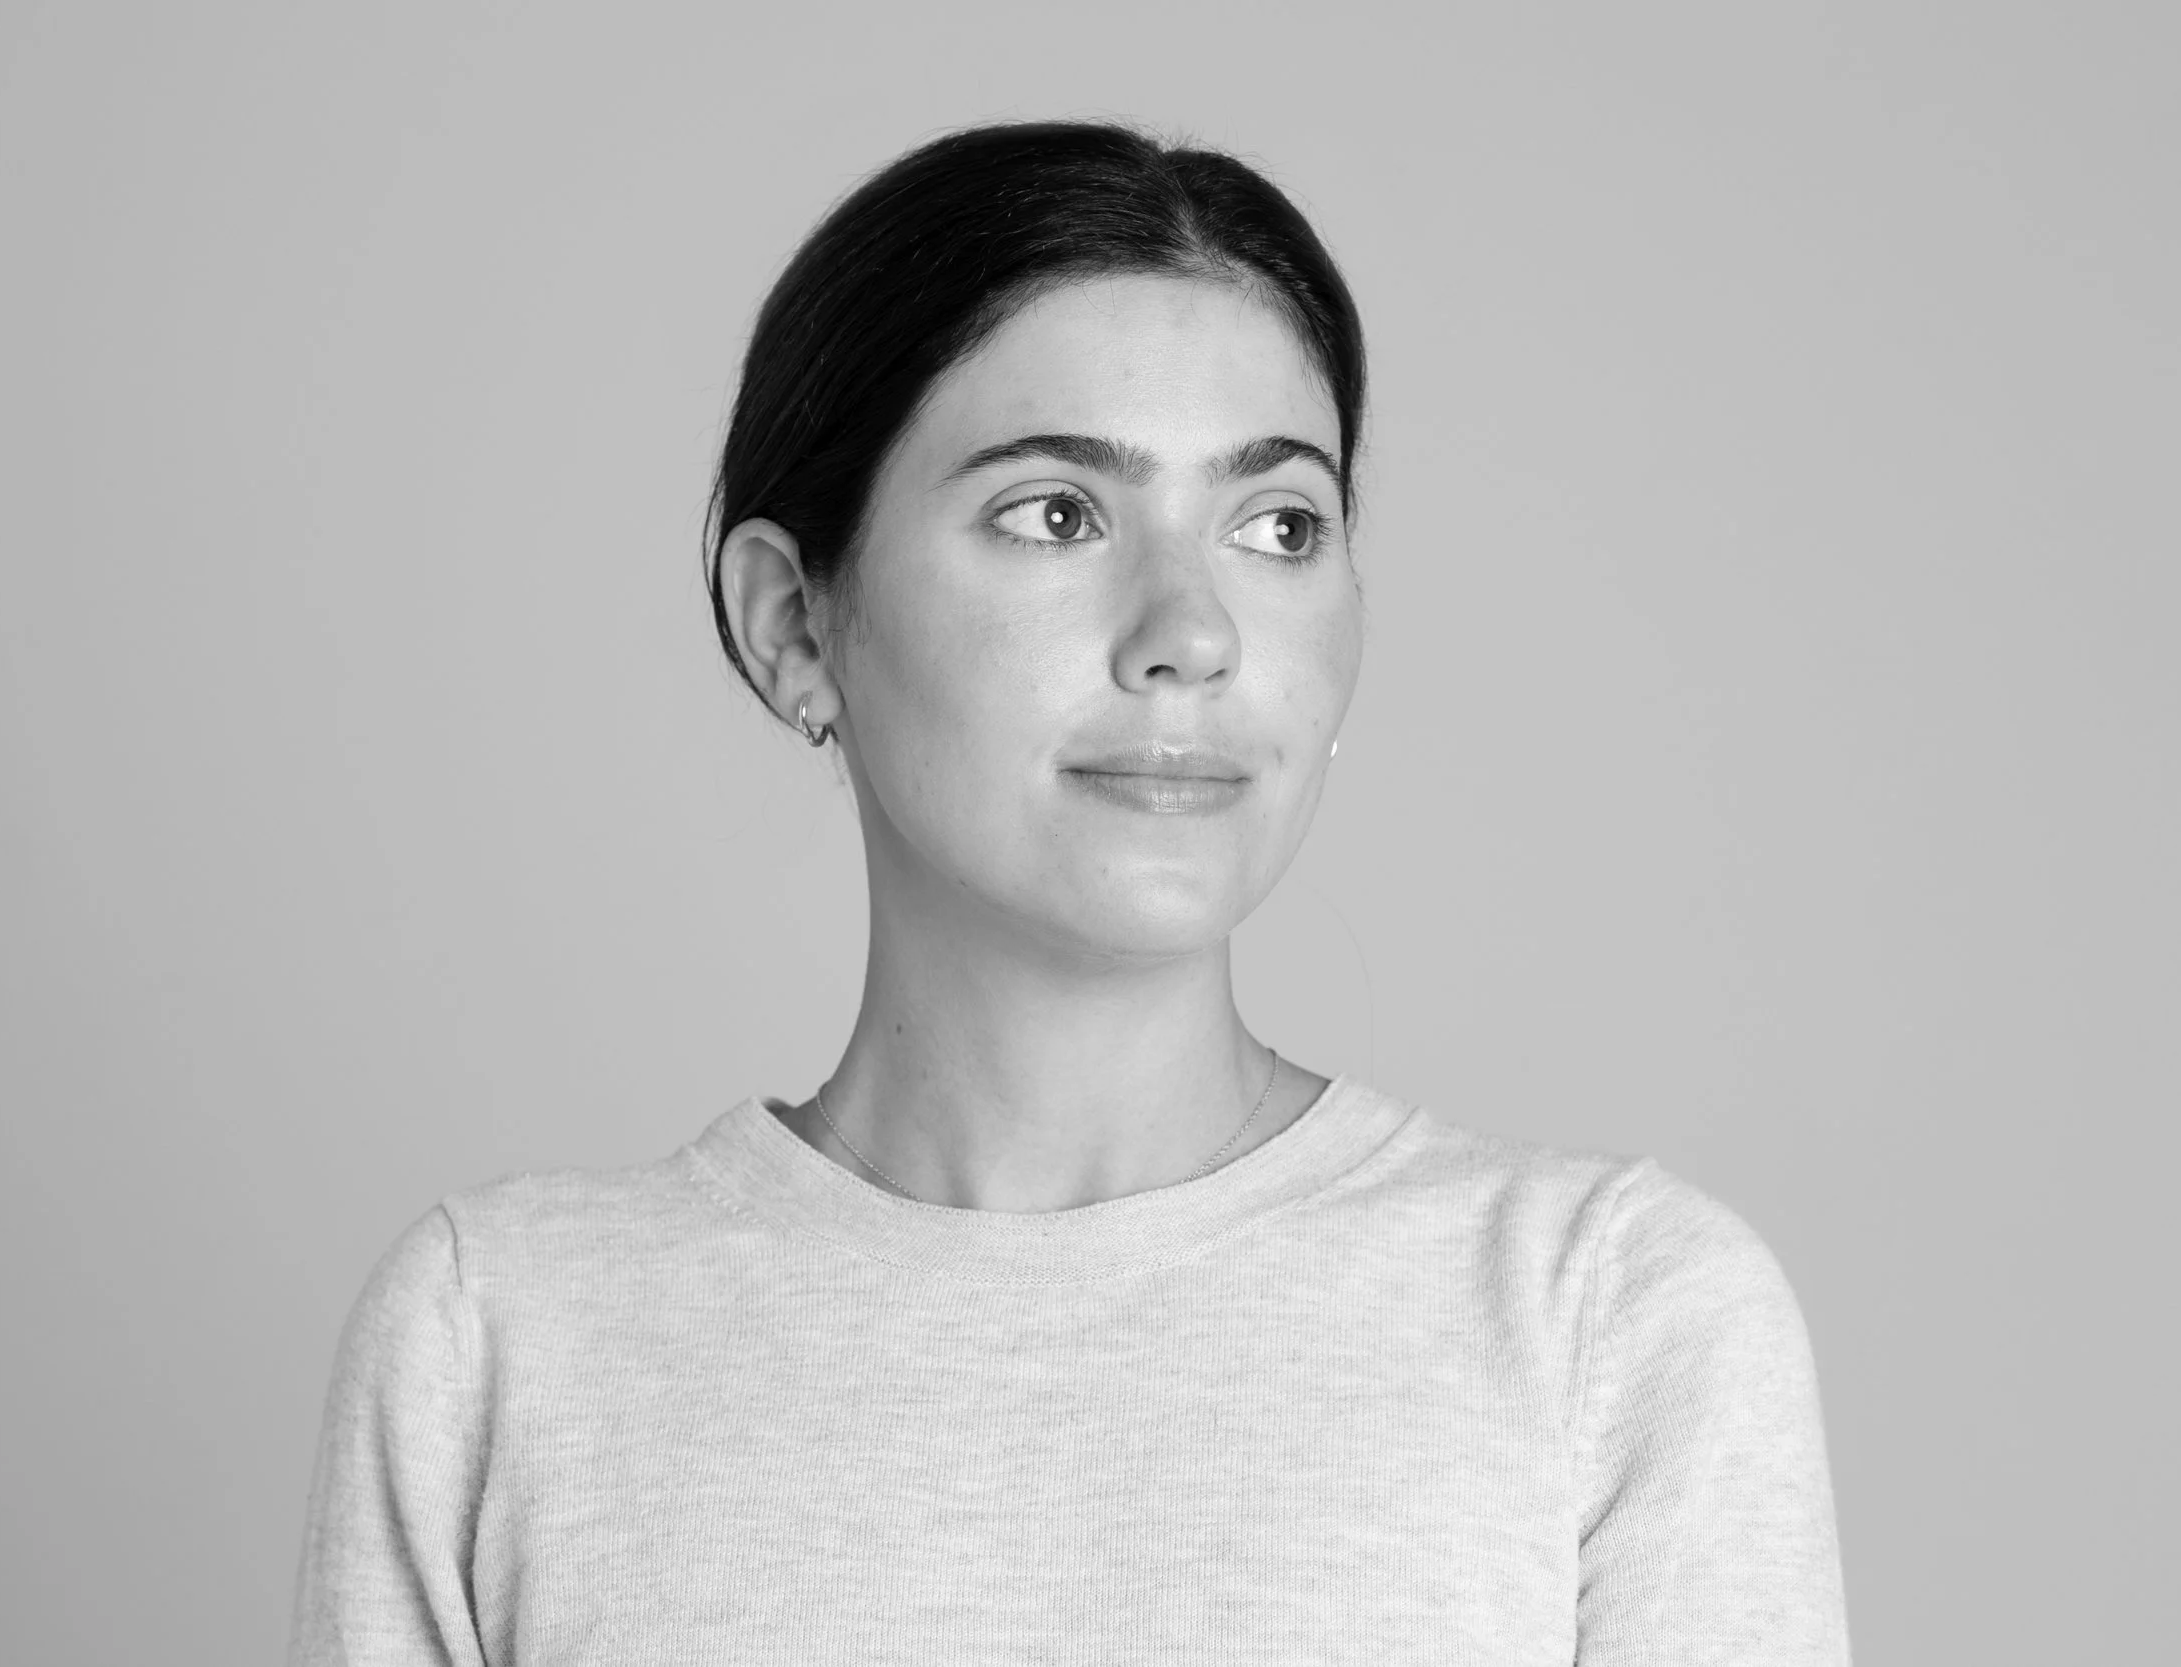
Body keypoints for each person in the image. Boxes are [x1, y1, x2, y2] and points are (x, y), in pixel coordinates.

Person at [286, 120, 1849, 1664]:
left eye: (1279, 525)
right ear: (794, 624)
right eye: (1056, 512)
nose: (1193, 629)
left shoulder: (1613, 1318)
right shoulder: (499, 1345)